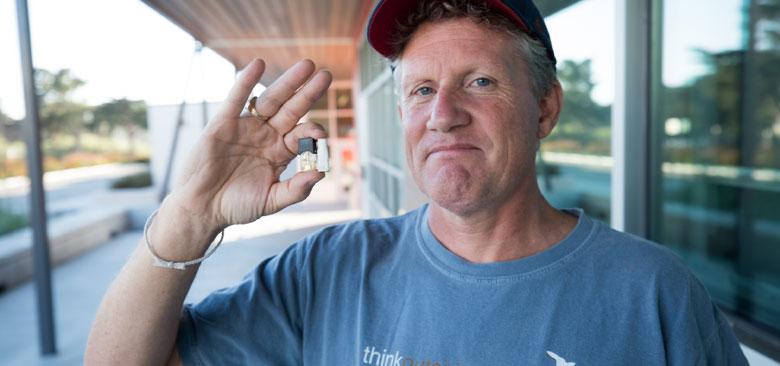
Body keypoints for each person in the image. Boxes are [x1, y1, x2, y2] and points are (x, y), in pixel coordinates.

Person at [86, 0, 749, 365]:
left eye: (480, 83)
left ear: (544, 108)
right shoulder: (332, 268)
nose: (443, 115)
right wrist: (188, 217)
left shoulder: (653, 293)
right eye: (422, 89)